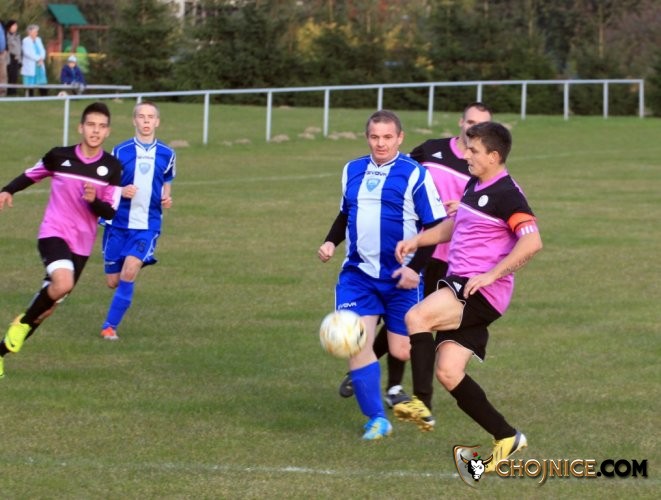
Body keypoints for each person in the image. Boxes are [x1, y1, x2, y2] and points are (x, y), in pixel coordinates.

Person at [393, 121, 542, 470]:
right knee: (449, 371)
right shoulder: (476, 183)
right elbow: (456, 224)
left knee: (416, 317)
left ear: (494, 156)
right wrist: (418, 240)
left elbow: (533, 241)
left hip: (478, 290)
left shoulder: (507, 194)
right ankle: (507, 436)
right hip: (465, 285)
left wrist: (491, 274)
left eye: (474, 151)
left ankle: (420, 401)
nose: (466, 155)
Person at [338, 102, 493, 425]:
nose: (474, 129)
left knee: (415, 325)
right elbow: (395, 172)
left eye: (482, 125)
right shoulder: (431, 150)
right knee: (403, 318)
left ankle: (409, 393)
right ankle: (390, 384)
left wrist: (464, 208)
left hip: (453, 258)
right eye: (471, 122)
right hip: (415, 250)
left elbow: (489, 208)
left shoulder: (483, 162)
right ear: (461, 122)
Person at [318, 109, 446, 440]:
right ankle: (376, 418)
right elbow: (345, 213)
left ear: (400, 138)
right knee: (355, 343)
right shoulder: (352, 169)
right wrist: (331, 241)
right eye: (375, 137)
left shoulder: (415, 174)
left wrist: (414, 269)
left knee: (401, 350)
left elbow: (435, 227)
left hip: (400, 278)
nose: (381, 143)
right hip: (358, 275)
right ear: (367, 138)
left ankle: (394, 389)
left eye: (388, 137)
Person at [0, 102, 122, 379]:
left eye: (101, 127)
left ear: (107, 132)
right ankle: (23, 323)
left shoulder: (112, 167)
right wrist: (8, 190)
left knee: (47, 308)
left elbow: (110, 211)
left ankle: (1, 351)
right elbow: (31, 174)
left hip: (82, 245)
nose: (95, 131)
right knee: (63, 284)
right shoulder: (59, 156)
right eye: (91, 125)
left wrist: (93, 201)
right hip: (53, 233)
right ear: (80, 127)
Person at [99, 101, 175, 341]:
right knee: (113, 281)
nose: (146, 121)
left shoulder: (167, 153)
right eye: (141, 116)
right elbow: (106, 186)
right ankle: (125, 265)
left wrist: (167, 197)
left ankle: (109, 327)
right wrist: (121, 191)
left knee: (129, 271)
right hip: (118, 223)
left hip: (147, 225)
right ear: (134, 121)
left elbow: (167, 180)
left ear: (157, 122)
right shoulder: (120, 151)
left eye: (150, 117)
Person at [21, 24, 47, 97]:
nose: (36, 33)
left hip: (39, 64)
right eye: (35, 32)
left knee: (42, 81)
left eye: (37, 32)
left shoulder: (38, 39)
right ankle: (30, 96)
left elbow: (42, 50)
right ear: (30, 32)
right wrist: (38, 58)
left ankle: (44, 97)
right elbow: (27, 53)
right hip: (31, 64)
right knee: (30, 82)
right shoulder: (25, 40)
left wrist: (41, 58)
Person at [5, 20, 22, 96]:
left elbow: (19, 48)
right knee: (9, 76)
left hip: (16, 59)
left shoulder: (17, 36)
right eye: (14, 25)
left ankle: (13, 92)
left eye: (16, 26)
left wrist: (19, 59)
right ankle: (8, 92)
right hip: (9, 58)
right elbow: (9, 46)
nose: (15, 27)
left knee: (15, 76)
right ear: (9, 27)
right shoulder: (6, 35)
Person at [0, 19, 7, 97]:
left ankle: (2, 94)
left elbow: (4, 38)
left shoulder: (2, 24)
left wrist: (5, 49)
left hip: (2, 54)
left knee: (3, 75)